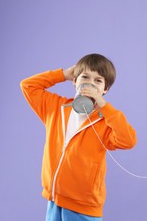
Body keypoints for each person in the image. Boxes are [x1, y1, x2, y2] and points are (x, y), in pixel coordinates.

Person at [20, 53, 137, 221]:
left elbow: (128, 140)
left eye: (98, 80)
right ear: (75, 80)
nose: (90, 83)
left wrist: (104, 106)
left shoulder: (105, 123)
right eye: (85, 77)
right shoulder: (55, 108)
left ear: (105, 89)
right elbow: (27, 86)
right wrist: (63, 74)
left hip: (83, 207)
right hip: (54, 199)